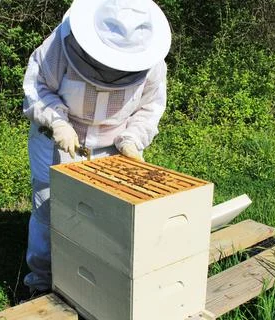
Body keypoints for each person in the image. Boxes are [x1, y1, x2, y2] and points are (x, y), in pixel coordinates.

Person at [22, 0, 171, 295]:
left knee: (102, 218)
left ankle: (88, 284)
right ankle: (40, 282)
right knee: (49, 210)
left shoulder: (152, 62)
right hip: (57, 140)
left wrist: (132, 140)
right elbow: (37, 87)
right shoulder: (60, 44)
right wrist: (58, 122)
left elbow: (150, 107)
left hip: (112, 149)